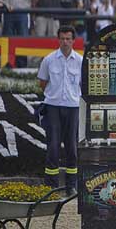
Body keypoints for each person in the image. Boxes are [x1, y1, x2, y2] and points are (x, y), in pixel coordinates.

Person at [37, 25, 82, 191]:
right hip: (53, 106)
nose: (65, 42)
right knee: (53, 147)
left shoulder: (80, 61)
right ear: (58, 39)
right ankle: (51, 186)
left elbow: (83, 86)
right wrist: (53, 95)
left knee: (72, 147)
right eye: (62, 38)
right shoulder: (49, 59)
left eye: (68, 39)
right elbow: (42, 83)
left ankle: (71, 185)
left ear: (73, 41)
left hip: (73, 107)